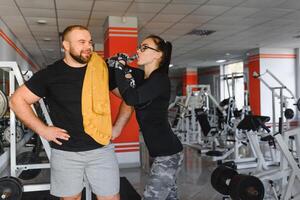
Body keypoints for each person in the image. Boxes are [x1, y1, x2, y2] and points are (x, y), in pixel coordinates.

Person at [9, 25, 132, 200]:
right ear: (65, 45)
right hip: (66, 152)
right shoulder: (51, 74)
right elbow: (17, 101)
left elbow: (130, 97)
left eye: (90, 42)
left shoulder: (102, 70)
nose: (88, 46)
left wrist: (118, 127)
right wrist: (43, 130)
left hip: (101, 149)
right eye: (81, 42)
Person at [110, 35, 183, 200]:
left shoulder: (160, 79)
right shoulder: (145, 79)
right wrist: (113, 66)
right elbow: (119, 83)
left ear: (158, 54)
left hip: (168, 154)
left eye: (144, 47)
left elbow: (131, 98)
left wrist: (121, 66)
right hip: (161, 152)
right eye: (139, 47)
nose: (138, 50)